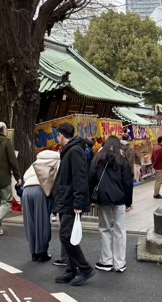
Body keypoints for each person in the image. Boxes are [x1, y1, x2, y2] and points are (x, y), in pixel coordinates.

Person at [53, 122, 94, 287]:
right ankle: (71, 269)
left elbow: (79, 177)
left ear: (61, 135)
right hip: (66, 198)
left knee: (65, 235)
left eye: (58, 135)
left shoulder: (74, 150)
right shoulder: (71, 149)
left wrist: (78, 201)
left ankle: (84, 268)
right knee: (66, 236)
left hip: (71, 200)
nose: (57, 138)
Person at [90, 135, 133, 273]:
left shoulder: (98, 158)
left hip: (103, 199)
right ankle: (120, 263)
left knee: (105, 228)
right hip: (120, 199)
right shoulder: (123, 160)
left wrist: (91, 197)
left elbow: (91, 178)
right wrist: (128, 201)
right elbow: (128, 182)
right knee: (120, 230)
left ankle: (106, 261)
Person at [22, 149, 60, 262]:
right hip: (41, 191)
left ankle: (33, 252)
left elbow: (25, 176)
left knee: (30, 223)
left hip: (26, 191)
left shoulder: (36, 162)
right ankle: (42, 252)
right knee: (42, 222)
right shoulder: (56, 161)